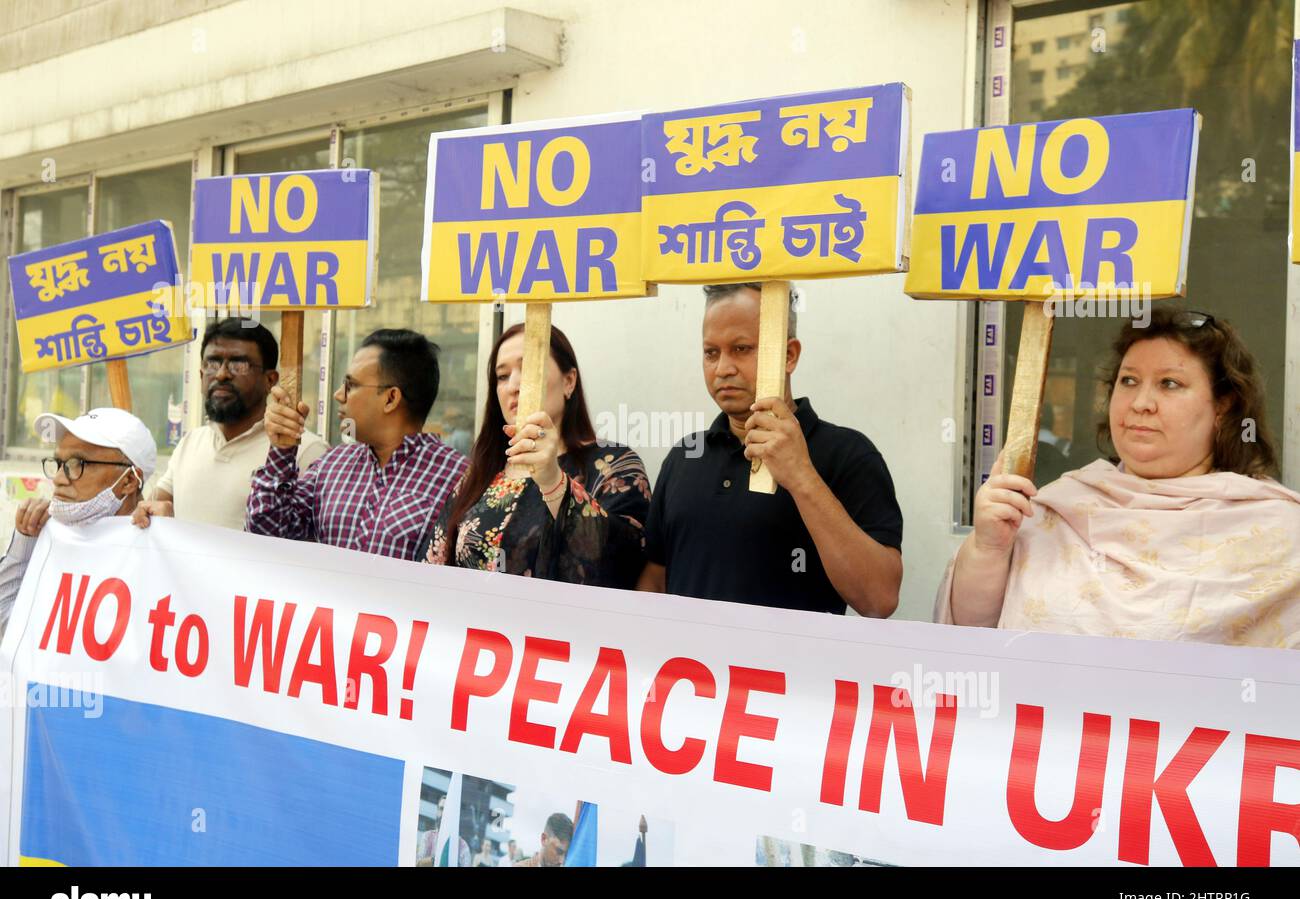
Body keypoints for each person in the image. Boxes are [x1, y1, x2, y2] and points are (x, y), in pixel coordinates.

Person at [938, 308, 1300, 645]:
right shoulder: (1058, 507)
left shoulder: (1277, 532)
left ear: (1224, 406)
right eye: (1128, 381)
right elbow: (971, 636)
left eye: (1169, 384)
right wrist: (989, 547)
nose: (1141, 402)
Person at [637, 283, 903, 616]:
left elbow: (879, 599)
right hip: (691, 668)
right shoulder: (686, 455)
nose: (723, 369)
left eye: (742, 348)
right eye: (711, 352)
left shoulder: (847, 454)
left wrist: (802, 476)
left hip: (794, 668)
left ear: (789, 355)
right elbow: (655, 581)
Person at [422, 323, 650, 587]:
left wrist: (554, 482)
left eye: (529, 370)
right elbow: (431, 567)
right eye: (502, 376)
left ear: (569, 381)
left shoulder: (613, 465)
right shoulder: (482, 472)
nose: (514, 386)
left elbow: (628, 564)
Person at [246, 329, 467, 560]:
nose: (338, 395)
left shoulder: (459, 480)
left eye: (350, 385)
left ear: (391, 398)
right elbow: (264, 537)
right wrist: (281, 450)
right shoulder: (331, 466)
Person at [132, 319, 328, 531]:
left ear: (270, 380)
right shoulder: (190, 442)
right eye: (212, 364)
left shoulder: (306, 450)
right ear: (199, 375)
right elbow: (156, 506)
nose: (221, 374)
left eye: (239, 364)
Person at [0, 408, 155, 633]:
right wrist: (25, 543)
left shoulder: (155, 556)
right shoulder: (51, 538)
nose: (59, 479)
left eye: (78, 464)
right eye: (59, 463)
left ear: (129, 480)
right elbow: (6, 625)